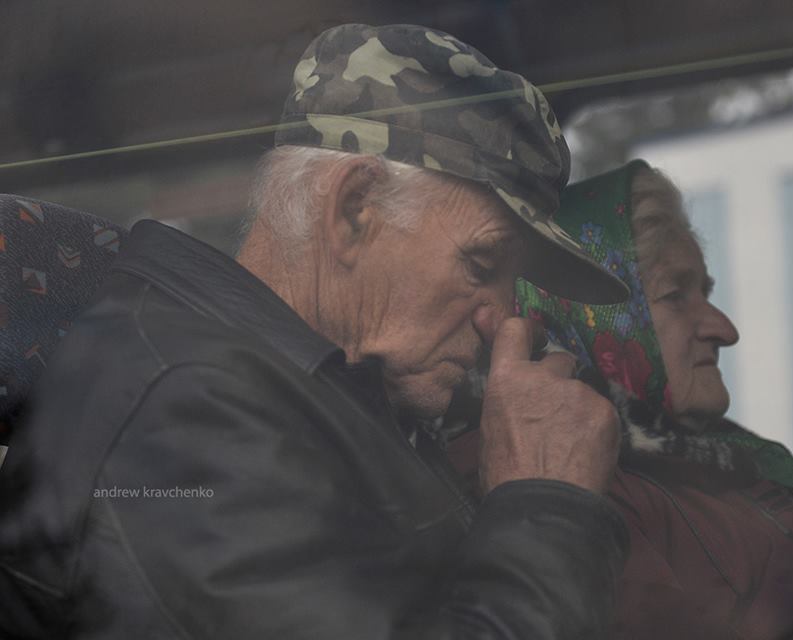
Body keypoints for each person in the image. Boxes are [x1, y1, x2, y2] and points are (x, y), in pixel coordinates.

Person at [0, 24, 632, 639]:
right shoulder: (184, 413)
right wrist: (547, 501)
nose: (501, 319)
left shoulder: (331, 392)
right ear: (354, 209)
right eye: (482, 266)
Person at [445, 160, 793, 640]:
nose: (725, 330)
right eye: (675, 295)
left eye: (705, 293)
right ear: (578, 314)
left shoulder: (713, 457)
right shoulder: (559, 480)